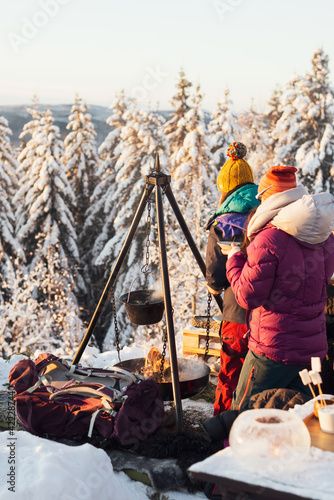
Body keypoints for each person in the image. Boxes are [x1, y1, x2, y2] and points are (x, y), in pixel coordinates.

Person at [224, 165, 334, 410]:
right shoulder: (325, 237)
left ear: (269, 197)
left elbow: (246, 295)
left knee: (243, 416)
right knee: (299, 419)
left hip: (271, 351)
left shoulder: (269, 239)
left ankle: (234, 449)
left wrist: (234, 260)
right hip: (311, 350)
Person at [205, 141, 260, 415]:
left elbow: (214, 276)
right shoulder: (266, 214)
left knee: (230, 372)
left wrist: (214, 284)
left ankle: (222, 429)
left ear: (225, 188)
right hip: (267, 314)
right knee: (258, 376)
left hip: (237, 314)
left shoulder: (223, 225)